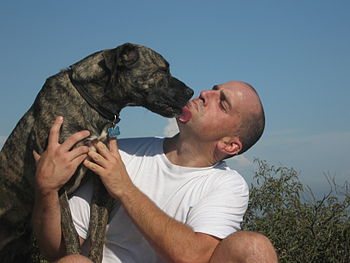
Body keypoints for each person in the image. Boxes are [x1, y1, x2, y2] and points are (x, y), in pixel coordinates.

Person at [32, 81, 278, 263]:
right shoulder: (122, 154)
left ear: (229, 145)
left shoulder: (227, 185)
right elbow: (59, 251)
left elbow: (194, 256)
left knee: (254, 248)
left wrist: (125, 188)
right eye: (213, 88)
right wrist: (47, 190)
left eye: (221, 103)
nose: (205, 94)